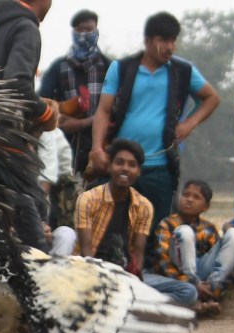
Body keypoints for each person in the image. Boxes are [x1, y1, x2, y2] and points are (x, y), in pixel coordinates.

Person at [89, 11, 220, 268]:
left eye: (173, 40)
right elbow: (103, 111)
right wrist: (96, 148)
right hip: (120, 165)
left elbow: (211, 98)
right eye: (164, 40)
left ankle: (150, 284)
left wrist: (189, 124)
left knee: (153, 232)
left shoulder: (182, 71)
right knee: (110, 228)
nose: (169, 47)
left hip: (160, 167)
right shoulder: (122, 68)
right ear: (148, 41)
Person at [0, 0, 57, 252]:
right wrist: (45, 113)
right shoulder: (25, 27)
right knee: (32, 234)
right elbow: (17, 83)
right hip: (5, 147)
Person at [145, 179, 234, 315]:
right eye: (186, 195)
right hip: (179, 275)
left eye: (196, 197)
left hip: (202, 275)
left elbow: (217, 260)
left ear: (206, 207)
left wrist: (215, 288)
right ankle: (198, 296)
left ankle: (211, 291)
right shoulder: (166, 224)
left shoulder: (209, 228)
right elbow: (163, 263)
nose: (189, 200)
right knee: (184, 231)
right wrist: (191, 283)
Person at [38, 9, 111, 177]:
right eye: (80, 30)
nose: (85, 34)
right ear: (73, 32)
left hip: (100, 145)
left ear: (97, 31)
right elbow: (43, 100)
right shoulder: (59, 67)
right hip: (64, 143)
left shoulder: (109, 67)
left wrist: (81, 124)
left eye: (89, 30)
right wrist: (59, 119)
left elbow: (117, 107)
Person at [74, 139, 151, 275]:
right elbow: (86, 251)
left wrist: (135, 284)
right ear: (109, 166)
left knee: (186, 290)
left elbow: (138, 254)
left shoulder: (144, 206)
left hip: (125, 275)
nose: (125, 168)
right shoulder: (88, 199)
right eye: (119, 163)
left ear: (138, 171)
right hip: (90, 271)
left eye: (132, 165)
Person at [36, 127, 79, 256]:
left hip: (46, 219)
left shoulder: (49, 134)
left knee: (66, 235)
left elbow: (46, 179)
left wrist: (40, 225)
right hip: (13, 228)